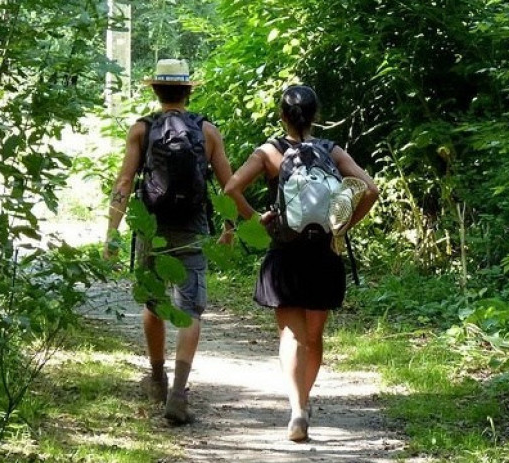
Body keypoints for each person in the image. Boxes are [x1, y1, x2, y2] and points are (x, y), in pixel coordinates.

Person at [223, 85, 379, 441]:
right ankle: (305, 401)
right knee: (314, 334)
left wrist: (256, 218)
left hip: (286, 251)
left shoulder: (269, 152)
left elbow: (231, 187)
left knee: (291, 335)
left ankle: (296, 410)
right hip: (324, 251)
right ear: (315, 115)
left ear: (282, 115)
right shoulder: (332, 150)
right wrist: (343, 226)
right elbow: (370, 190)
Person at [104, 59, 233, 425]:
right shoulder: (207, 131)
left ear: (156, 91)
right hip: (192, 226)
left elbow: (124, 184)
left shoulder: (141, 130)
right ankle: (179, 393)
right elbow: (228, 184)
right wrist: (229, 225)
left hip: (152, 228)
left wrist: (112, 232)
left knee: (154, 303)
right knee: (190, 311)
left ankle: (157, 379)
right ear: (188, 90)